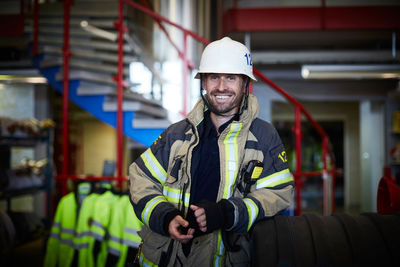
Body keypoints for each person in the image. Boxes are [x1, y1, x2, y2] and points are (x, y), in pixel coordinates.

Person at [129, 36, 294, 266]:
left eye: (231, 78)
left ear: (245, 83)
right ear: (203, 83)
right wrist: (164, 217)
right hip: (164, 258)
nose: (221, 86)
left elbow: (279, 192)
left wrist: (229, 213)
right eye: (214, 77)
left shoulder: (264, 137)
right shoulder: (176, 134)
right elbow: (141, 179)